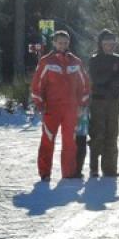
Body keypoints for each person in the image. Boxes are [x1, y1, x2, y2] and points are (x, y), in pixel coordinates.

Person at [30, 30, 91, 181]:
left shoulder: (76, 62)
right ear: (54, 43)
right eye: (59, 42)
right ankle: (45, 173)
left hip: (71, 109)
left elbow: (85, 84)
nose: (62, 45)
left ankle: (68, 173)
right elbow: (37, 85)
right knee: (47, 140)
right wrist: (39, 104)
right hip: (52, 109)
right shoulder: (46, 61)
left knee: (70, 142)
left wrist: (82, 104)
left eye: (65, 42)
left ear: (68, 43)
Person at [88, 29, 119, 177]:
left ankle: (110, 168)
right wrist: (111, 79)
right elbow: (96, 79)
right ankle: (94, 168)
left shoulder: (117, 59)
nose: (109, 46)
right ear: (101, 44)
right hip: (98, 101)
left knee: (112, 134)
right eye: (106, 44)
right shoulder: (94, 59)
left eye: (112, 44)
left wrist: (110, 80)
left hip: (113, 101)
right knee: (97, 134)